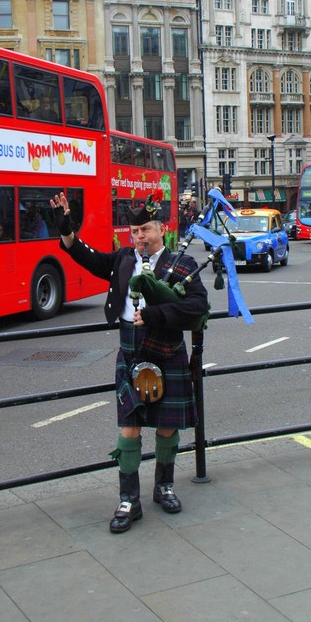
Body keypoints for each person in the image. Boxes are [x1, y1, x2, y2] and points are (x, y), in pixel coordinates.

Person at [50, 189, 209, 534]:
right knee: (129, 428)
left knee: (167, 426)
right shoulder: (123, 260)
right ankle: (129, 500)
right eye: (134, 232)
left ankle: (164, 487)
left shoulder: (182, 264)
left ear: (162, 229)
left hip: (167, 350)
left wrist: (155, 314)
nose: (139, 237)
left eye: (145, 230)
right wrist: (66, 228)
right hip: (131, 351)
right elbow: (84, 255)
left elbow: (198, 307)